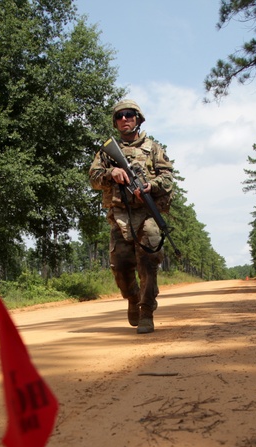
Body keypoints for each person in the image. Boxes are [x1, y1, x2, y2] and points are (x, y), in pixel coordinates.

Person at [88, 99, 175, 334]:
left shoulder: (153, 148)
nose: (124, 119)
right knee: (120, 267)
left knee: (148, 263)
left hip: (147, 214)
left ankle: (146, 311)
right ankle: (133, 297)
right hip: (119, 216)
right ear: (115, 122)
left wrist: (151, 185)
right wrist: (110, 172)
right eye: (119, 116)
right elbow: (94, 178)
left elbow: (168, 177)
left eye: (129, 115)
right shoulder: (107, 151)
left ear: (138, 118)